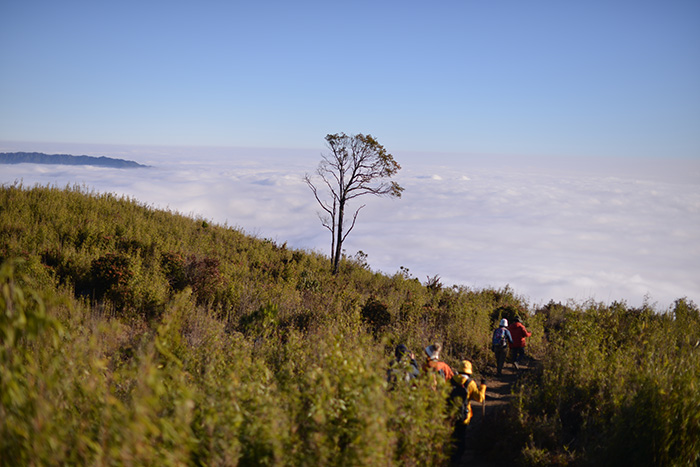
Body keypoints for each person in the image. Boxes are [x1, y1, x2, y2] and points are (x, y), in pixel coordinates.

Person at [448, 360, 487, 464]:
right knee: (461, 437)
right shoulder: (470, 383)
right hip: (464, 416)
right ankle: (458, 458)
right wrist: (483, 386)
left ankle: (451, 457)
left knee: (452, 436)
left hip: (451, 414)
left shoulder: (451, 380)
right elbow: (480, 398)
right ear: (469, 372)